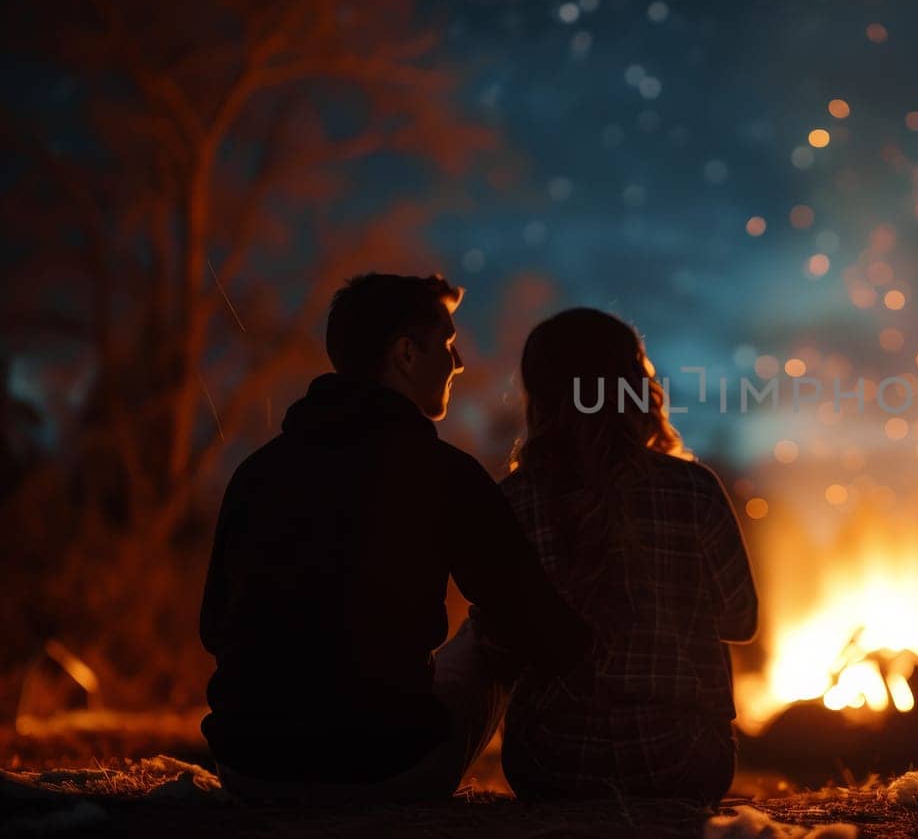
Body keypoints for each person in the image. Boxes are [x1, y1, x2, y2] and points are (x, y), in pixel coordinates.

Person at [199, 273, 590, 804]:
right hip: (383, 773)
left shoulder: (256, 472)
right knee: (488, 632)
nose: (458, 364)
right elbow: (537, 625)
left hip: (249, 771)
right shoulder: (442, 473)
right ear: (406, 354)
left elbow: (214, 627)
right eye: (448, 345)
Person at [498, 308, 758, 807]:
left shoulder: (513, 500)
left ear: (540, 395)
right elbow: (740, 620)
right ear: (636, 386)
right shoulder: (694, 490)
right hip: (684, 766)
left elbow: (500, 643)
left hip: (548, 767)